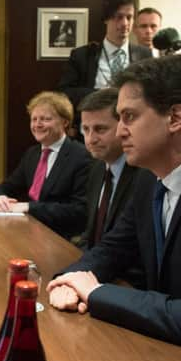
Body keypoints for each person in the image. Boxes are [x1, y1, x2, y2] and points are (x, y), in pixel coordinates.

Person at [47, 55, 181, 351]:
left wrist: (95, 293)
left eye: (129, 117)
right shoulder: (148, 179)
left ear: (175, 118)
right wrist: (69, 280)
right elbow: (114, 248)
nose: (120, 131)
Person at [0, 91, 92, 239]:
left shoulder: (81, 156)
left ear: (65, 122)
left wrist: (29, 207)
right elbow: (7, 186)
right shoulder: (32, 154)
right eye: (34, 119)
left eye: (45, 119)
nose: (37, 125)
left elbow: (80, 211)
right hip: (30, 231)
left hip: (61, 238)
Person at [58, 0, 152, 134]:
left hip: (132, 130)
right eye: (118, 17)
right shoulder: (83, 55)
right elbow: (65, 93)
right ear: (106, 19)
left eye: (129, 17)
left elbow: (151, 93)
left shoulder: (144, 55)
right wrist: (100, 95)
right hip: (92, 130)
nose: (125, 23)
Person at [76, 88, 140, 250]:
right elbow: (90, 234)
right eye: (85, 129)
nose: (91, 139)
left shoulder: (143, 173)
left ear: (123, 126)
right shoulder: (97, 168)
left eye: (100, 129)